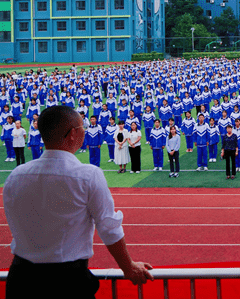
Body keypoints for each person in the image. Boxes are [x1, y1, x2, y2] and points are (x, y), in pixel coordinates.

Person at [3, 105, 152, 298]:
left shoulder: (16, 176)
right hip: (66, 280)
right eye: (82, 127)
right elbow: (108, 227)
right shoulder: (87, 175)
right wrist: (129, 267)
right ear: (73, 134)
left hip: (21, 279)